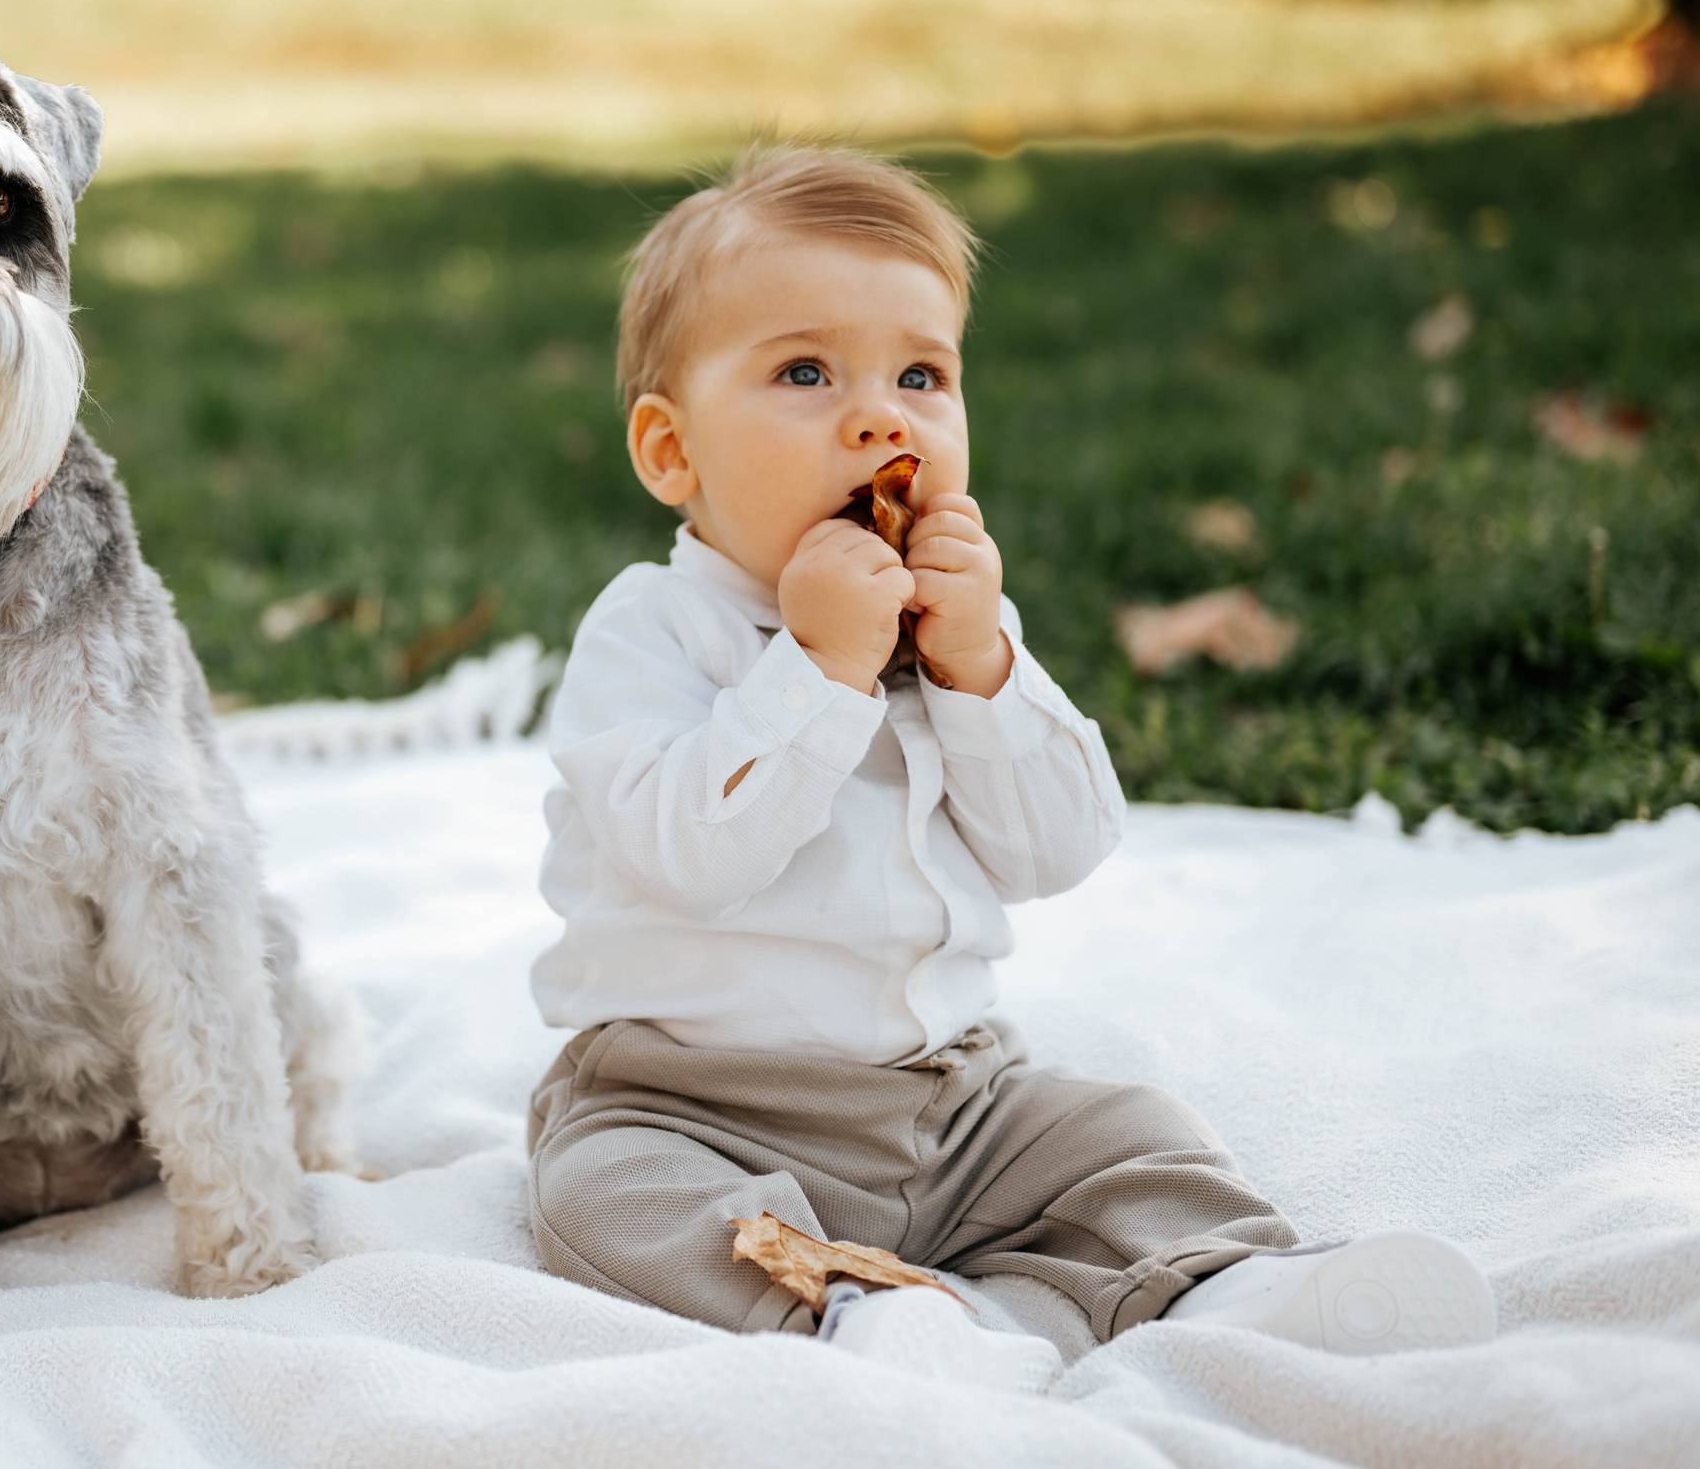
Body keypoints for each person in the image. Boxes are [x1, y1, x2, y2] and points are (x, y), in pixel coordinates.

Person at [523, 147, 1495, 1392]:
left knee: (1126, 1133)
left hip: (951, 1100)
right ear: (672, 453)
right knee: (606, 1200)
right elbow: (689, 857)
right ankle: (854, 1318)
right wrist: (817, 669)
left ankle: (1232, 1280)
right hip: (689, 1103)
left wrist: (980, 668)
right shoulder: (646, 633)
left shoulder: (958, 627)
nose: (880, 419)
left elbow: (1059, 850)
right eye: (804, 372)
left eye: (920, 374)